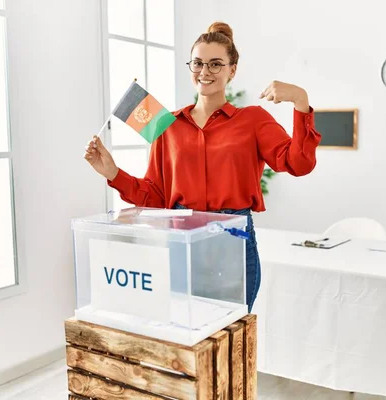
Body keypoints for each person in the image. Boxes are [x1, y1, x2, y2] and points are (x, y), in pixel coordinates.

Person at [84, 22, 321, 312]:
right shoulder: (165, 125)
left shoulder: (253, 120)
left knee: (230, 339)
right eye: (198, 63)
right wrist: (113, 173)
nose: (205, 72)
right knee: (184, 339)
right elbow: (156, 196)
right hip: (181, 239)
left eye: (215, 64)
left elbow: (299, 163)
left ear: (232, 70)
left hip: (232, 240)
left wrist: (300, 101)